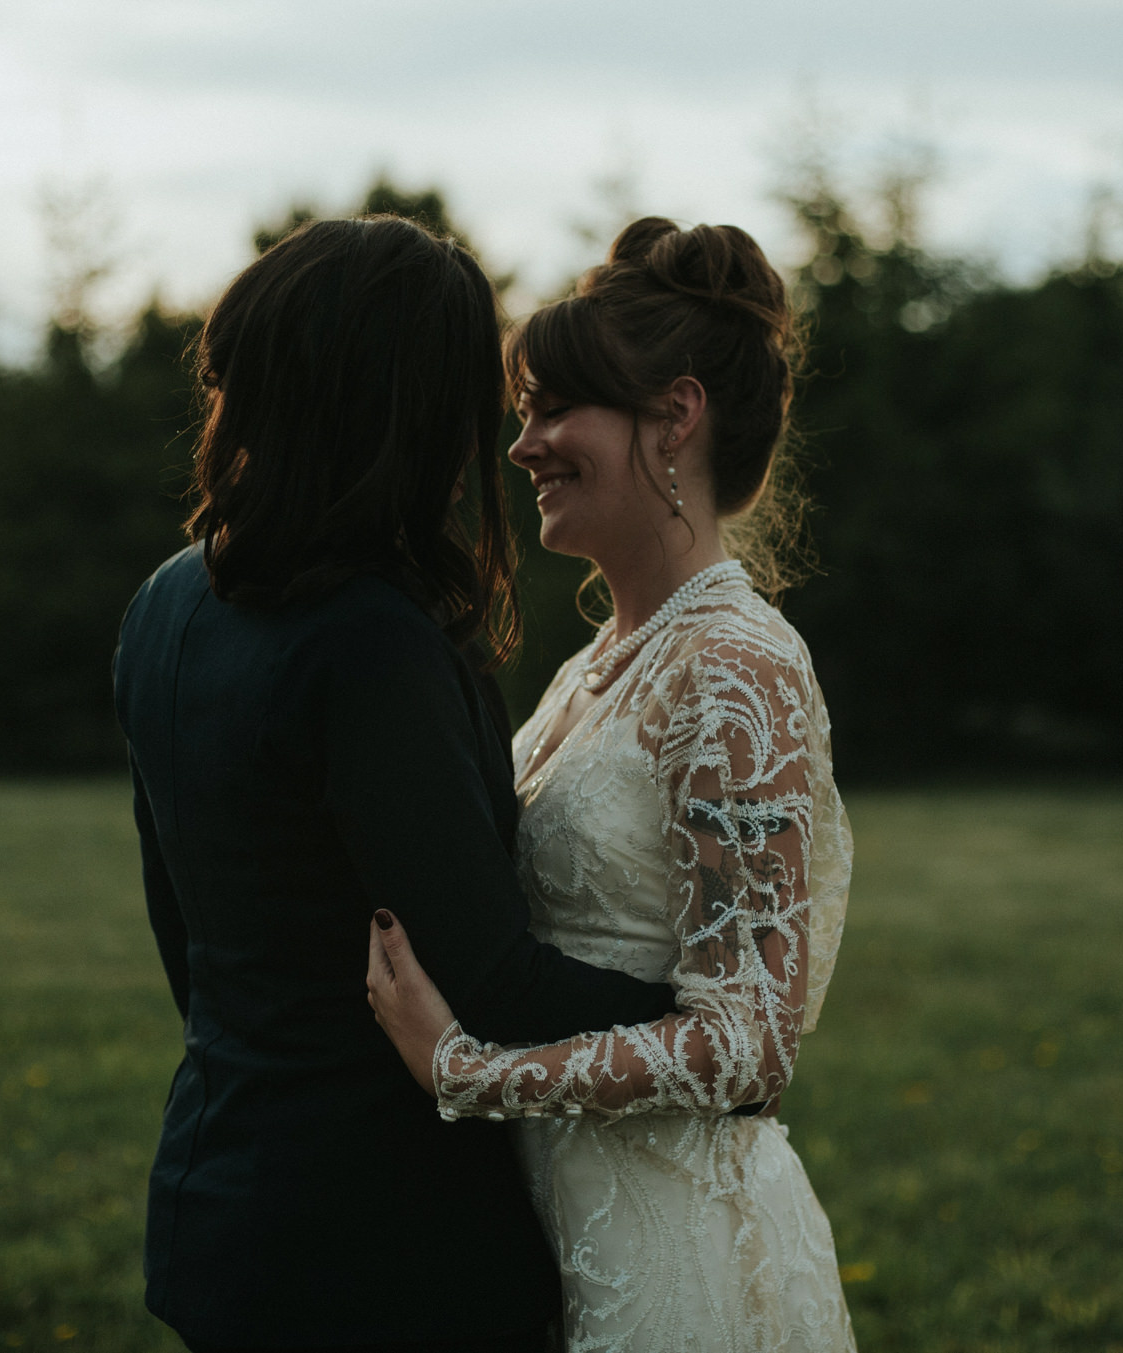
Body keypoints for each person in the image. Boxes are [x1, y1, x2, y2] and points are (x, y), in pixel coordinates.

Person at [113, 216, 681, 1353]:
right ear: (409, 407)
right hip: (382, 1249)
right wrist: (712, 1034)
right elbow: (495, 982)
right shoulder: (367, 640)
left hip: (221, 1197)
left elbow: (185, 936)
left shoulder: (169, 599)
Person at [366, 218, 857, 1351]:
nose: (522, 444)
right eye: (524, 412)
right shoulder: (600, 660)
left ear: (674, 417)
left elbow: (748, 1041)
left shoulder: (733, 665)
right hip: (559, 1232)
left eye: (553, 410)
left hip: (681, 1248)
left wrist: (467, 1072)